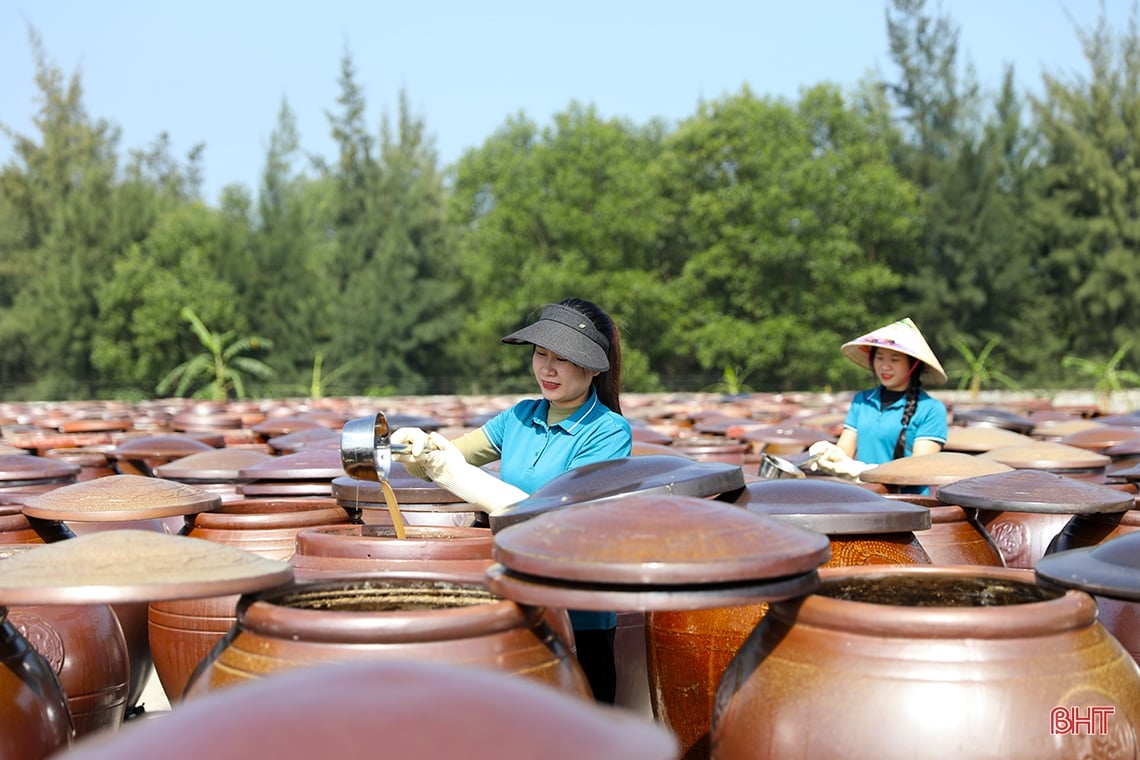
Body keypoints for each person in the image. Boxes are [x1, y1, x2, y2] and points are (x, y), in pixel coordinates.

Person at [390, 297, 631, 704]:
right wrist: (417, 450)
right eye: (540, 354)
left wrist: (450, 469)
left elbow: (555, 519)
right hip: (511, 602)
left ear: (592, 367)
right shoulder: (519, 417)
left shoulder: (608, 432)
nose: (546, 369)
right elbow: (451, 455)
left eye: (562, 359)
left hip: (576, 616)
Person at [810, 317, 949, 491]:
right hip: (863, 495)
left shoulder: (931, 408)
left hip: (906, 503)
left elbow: (918, 470)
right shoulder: (862, 401)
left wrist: (865, 472)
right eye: (880, 358)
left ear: (913, 365)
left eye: (895, 359)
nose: (885, 366)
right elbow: (845, 451)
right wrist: (832, 456)